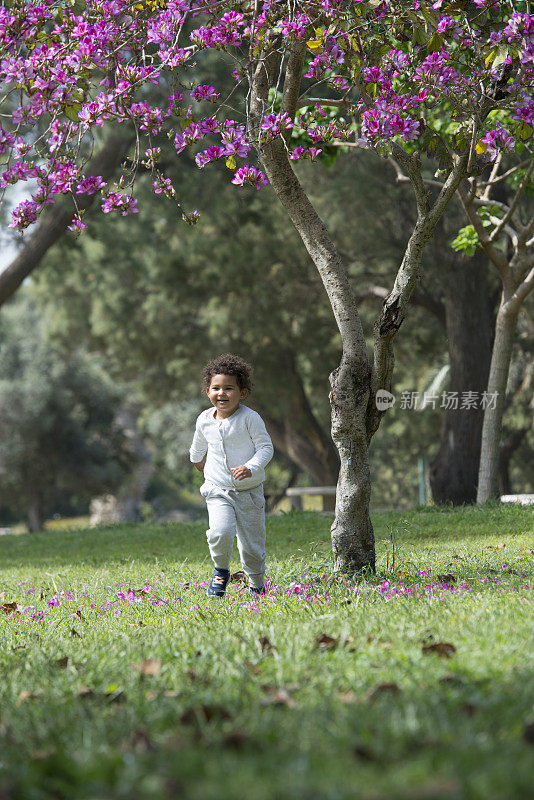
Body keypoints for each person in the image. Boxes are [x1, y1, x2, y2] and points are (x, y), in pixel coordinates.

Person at [189, 354, 274, 598]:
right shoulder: (204, 419)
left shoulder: (250, 418)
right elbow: (198, 445)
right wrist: (197, 460)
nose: (222, 393)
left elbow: (266, 448)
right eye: (216, 388)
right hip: (217, 489)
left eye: (229, 388)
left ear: (243, 392)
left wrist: (251, 466)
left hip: (249, 491)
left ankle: (256, 582)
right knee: (219, 532)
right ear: (207, 391)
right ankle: (221, 571)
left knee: (252, 546)